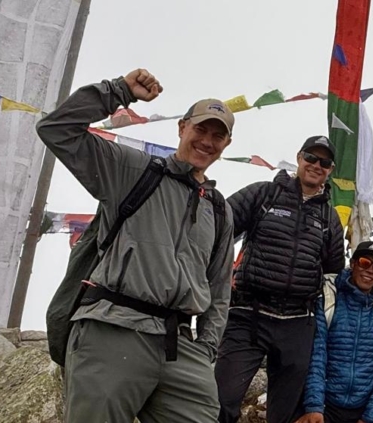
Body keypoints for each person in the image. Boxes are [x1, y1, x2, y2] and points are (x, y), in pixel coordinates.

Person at [37, 69, 235, 422]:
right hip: (113, 330)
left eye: (218, 135)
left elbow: (219, 290)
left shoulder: (219, 209)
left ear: (226, 145)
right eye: (200, 129)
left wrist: (206, 348)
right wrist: (117, 92)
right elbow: (57, 129)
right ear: (182, 127)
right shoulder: (133, 170)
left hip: (181, 348)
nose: (207, 140)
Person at [216, 135, 346, 423]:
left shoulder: (329, 217)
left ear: (331, 170)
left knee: (285, 413)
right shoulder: (263, 194)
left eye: (324, 162)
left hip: (298, 322)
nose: (316, 165)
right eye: (311, 157)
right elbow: (215, 224)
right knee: (221, 400)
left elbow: (334, 268)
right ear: (299, 158)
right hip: (248, 314)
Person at [299, 241, 373, 423]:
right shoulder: (328, 301)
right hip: (326, 406)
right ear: (353, 263)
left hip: (364, 409)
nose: (370, 270)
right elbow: (317, 356)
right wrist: (314, 406)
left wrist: (371, 416)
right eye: (364, 263)